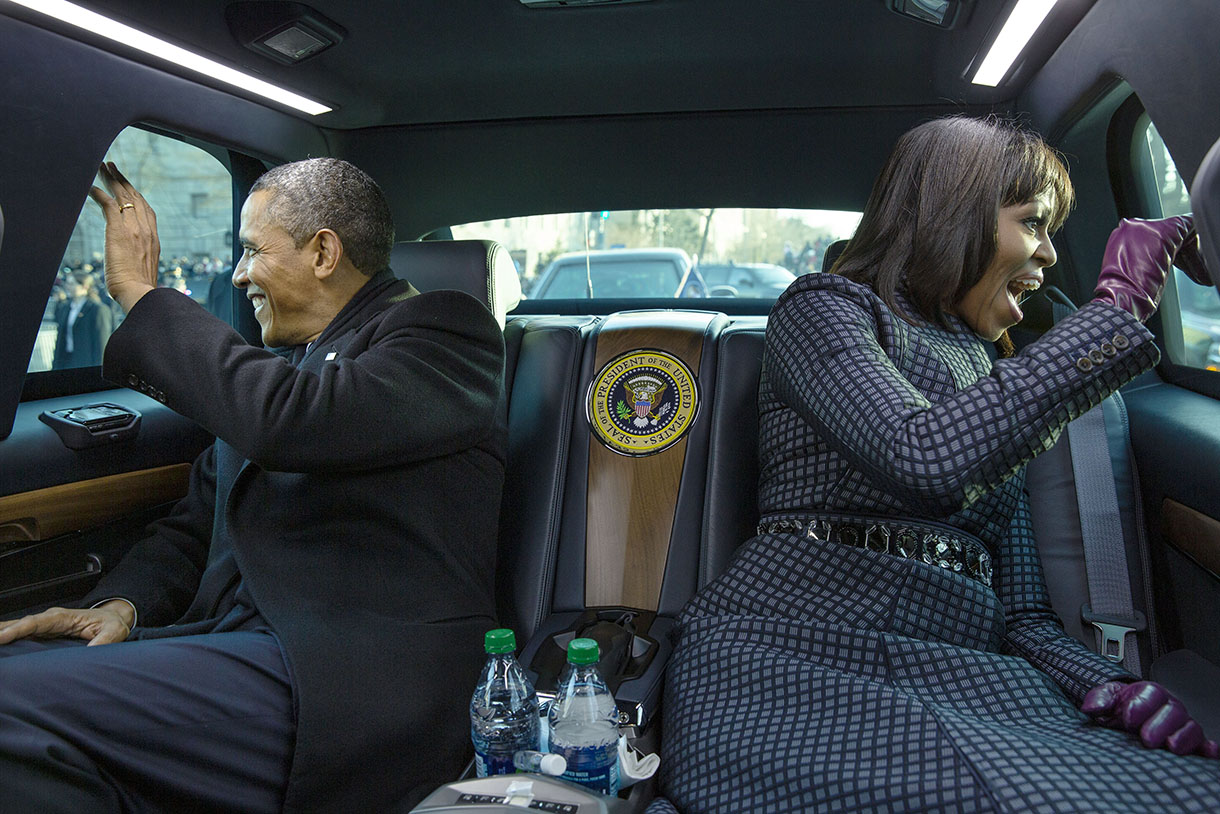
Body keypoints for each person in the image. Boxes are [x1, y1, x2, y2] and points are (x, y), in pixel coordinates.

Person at [647, 116, 1220, 813]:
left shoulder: (993, 374)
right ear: (959, 212)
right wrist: (1118, 305)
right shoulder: (826, 308)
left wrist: (1113, 685)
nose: (1047, 254)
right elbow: (922, 457)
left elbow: (1025, 615)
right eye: (1034, 223)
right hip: (785, 665)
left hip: (965, 681)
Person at [0, 158, 507, 812]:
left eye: (250, 251)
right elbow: (194, 529)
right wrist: (120, 608)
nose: (238, 276)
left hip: (350, 680)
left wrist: (142, 296)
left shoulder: (445, 335)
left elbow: (293, 423)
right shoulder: (286, 369)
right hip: (246, 648)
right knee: (18, 671)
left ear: (323, 251)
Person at [52, 270, 113, 368]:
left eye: (72, 284)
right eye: (67, 284)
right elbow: (60, 339)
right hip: (65, 362)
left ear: (85, 287)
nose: (68, 287)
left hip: (85, 363)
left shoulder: (98, 309)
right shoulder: (65, 308)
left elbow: (101, 344)